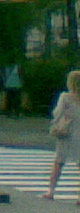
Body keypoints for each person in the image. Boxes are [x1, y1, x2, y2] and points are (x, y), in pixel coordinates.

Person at [43, 70, 80, 201]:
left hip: (66, 133)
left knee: (59, 162)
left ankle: (51, 191)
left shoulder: (65, 97)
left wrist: (55, 124)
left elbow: (57, 113)